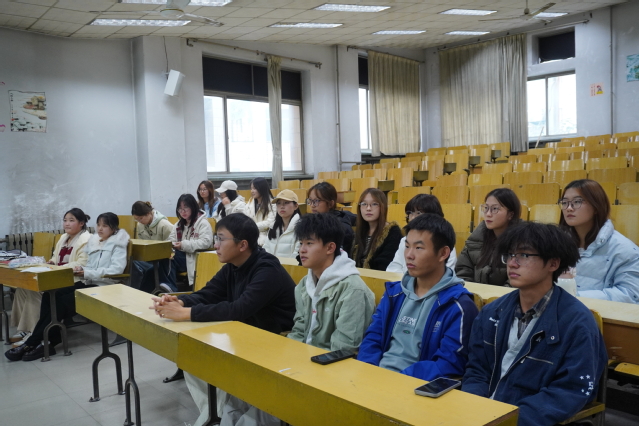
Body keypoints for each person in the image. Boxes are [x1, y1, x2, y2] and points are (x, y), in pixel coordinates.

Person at [220, 213, 375, 426]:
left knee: (258, 411)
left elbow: (343, 351)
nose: (302, 249)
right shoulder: (304, 285)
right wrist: (285, 364)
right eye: (301, 243)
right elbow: (299, 331)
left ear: (330, 248)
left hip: (329, 376)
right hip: (301, 365)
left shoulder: (353, 291)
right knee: (240, 388)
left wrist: (295, 372)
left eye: (309, 243)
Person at [150, 213, 295, 426]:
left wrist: (187, 313)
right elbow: (209, 293)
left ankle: (215, 418)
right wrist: (180, 302)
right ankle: (216, 417)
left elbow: (239, 309)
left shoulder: (267, 269)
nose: (215, 245)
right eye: (216, 238)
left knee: (210, 364)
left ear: (242, 244)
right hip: (246, 335)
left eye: (220, 239)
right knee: (191, 360)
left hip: (275, 342)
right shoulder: (233, 267)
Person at [462, 222, 608, 426]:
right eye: (510, 255)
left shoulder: (577, 323)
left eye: (524, 255)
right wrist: (473, 410)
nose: (512, 263)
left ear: (553, 264)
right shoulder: (492, 311)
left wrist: (510, 421)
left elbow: (569, 391)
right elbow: (477, 371)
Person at [357, 213, 478, 380]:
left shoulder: (458, 305)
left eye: (419, 248)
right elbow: (373, 337)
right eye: (407, 246)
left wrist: (396, 380)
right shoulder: (394, 293)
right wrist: (369, 371)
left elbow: (449, 363)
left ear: (443, 253)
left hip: (414, 385)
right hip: (375, 377)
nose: (409, 255)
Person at [6, 212, 129, 362]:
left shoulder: (118, 244)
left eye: (105, 226)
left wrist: (87, 272)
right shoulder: (97, 241)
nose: (100, 229)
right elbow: (89, 264)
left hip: (104, 286)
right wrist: (82, 269)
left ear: (114, 228)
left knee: (62, 303)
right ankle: (48, 340)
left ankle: (34, 342)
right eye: (98, 225)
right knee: (50, 295)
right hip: (88, 281)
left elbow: (116, 269)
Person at [9, 208, 92, 347]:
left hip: (74, 279)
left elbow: (81, 264)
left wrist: (55, 268)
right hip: (56, 275)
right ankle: (25, 328)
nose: (67, 224)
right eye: (65, 220)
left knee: (36, 292)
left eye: (71, 220)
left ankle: (35, 332)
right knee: (23, 289)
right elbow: (55, 258)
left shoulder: (87, 239)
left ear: (81, 223)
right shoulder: (63, 238)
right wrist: (51, 263)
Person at [559, 179, 639, 303]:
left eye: (577, 202)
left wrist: (574, 297)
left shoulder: (625, 250)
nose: (569, 208)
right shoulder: (557, 243)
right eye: (564, 203)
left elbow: (630, 294)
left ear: (596, 206)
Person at [456, 188, 521, 286]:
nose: (488, 214)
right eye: (486, 208)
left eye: (495, 209)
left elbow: (518, 279)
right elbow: (462, 271)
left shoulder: (522, 241)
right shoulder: (476, 238)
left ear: (510, 215)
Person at [387, 194, 457, 274]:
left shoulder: (443, 244)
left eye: (418, 213)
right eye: (410, 213)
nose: (413, 218)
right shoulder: (405, 240)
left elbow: (443, 274)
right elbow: (393, 268)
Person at [167, 194, 213, 292]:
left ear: (193, 207)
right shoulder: (178, 224)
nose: (182, 212)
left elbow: (206, 242)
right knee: (163, 258)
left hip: (194, 257)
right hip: (182, 256)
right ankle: (164, 285)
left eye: (186, 208)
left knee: (169, 259)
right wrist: (173, 244)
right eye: (180, 209)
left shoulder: (202, 223)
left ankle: (170, 288)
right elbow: (171, 239)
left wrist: (183, 245)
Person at [351, 188, 402, 270]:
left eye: (374, 204)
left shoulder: (393, 232)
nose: (368, 208)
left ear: (383, 207)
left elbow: (385, 265)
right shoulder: (359, 232)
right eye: (364, 204)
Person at [130, 201, 174, 293]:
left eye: (141, 218)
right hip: (148, 258)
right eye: (137, 219)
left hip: (163, 260)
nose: (139, 221)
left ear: (149, 213)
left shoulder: (164, 224)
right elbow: (141, 243)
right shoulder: (140, 225)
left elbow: (172, 246)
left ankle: (139, 292)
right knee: (131, 262)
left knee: (147, 271)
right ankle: (134, 291)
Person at [306, 182, 355, 255]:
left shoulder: (341, 227)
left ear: (331, 204)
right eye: (310, 200)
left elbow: (341, 255)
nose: (312, 205)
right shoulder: (311, 223)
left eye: (317, 201)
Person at [263, 189, 301, 258]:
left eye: (286, 202)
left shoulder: (302, 227)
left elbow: (297, 255)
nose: (282, 206)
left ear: (296, 206)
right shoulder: (273, 226)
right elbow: (266, 248)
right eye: (279, 203)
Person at [244, 177, 275, 246]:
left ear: (262, 188)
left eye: (254, 188)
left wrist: (252, 226)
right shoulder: (250, 203)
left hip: (265, 239)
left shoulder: (272, 204)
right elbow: (245, 219)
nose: (252, 191)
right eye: (251, 188)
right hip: (250, 236)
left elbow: (270, 222)